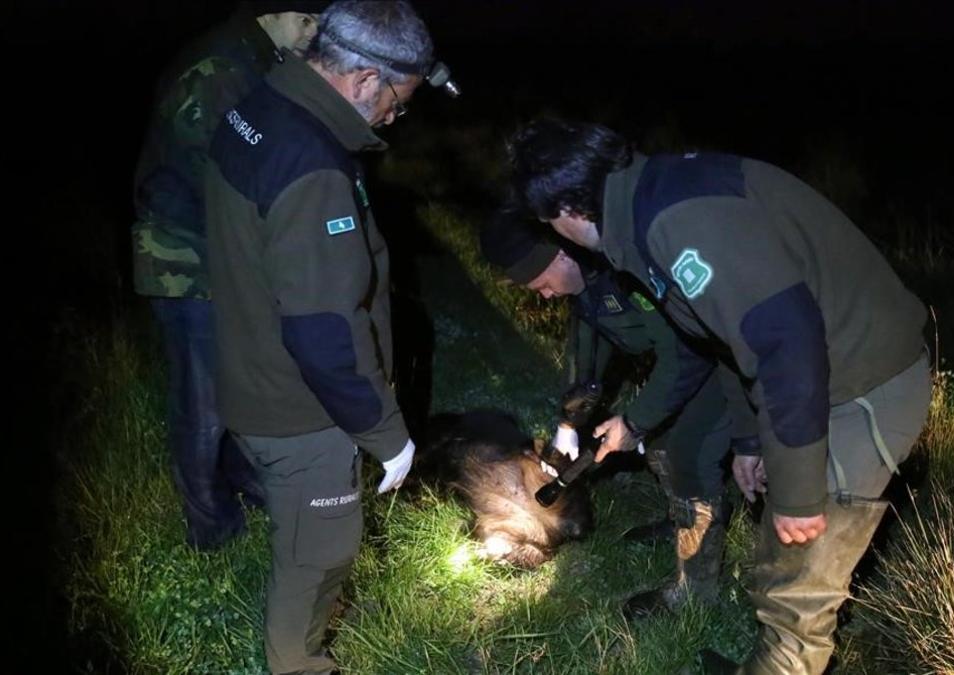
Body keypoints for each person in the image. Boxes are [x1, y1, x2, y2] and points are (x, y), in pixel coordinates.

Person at [507, 118, 933, 674]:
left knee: (798, 586)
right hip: (817, 383)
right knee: (777, 561)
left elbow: (786, 343)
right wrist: (752, 438)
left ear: (562, 210)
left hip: (860, 387)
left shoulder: (677, 220)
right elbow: (729, 339)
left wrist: (801, 492)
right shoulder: (645, 209)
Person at [205, 1, 437, 671]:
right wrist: (385, 434)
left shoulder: (262, 104)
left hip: (249, 367)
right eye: (399, 99)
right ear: (365, 79)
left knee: (302, 538)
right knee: (320, 553)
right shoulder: (313, 164)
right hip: (302, 410)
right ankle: (299, 661)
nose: (397, 115)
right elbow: (323, 331)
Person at [131, 0, 328, 551]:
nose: (312, 36)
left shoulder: (259, 59)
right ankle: (208, 525)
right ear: (274, 11)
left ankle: (241, 480)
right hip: (183, 257)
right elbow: (216, 180)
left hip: (225, 253)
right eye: (307, 21)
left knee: (240, 383)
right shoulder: (218, 69)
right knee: (203, 404)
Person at [480, 207, 742, 618]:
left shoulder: (628, 271)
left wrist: (635, 422)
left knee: (689, 454)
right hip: (680, 361)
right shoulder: (583, 288)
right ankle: (680, 522)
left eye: (542, 283)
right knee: (659, 444)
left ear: (561, 257)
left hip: (719, 361)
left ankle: (695, 594)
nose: (544, 295)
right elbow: (587, 354)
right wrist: (569, 420)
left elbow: (685, 354)